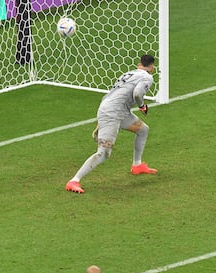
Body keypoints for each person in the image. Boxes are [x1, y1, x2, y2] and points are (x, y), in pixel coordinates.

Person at [65, 54, 157, 194]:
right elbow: (138, 94)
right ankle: (74, 181)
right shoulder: (147, 77)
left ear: (139, 64)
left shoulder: (130, 72)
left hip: (117, 110)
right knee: (104, 153)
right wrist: (142, 106)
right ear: (152, 67)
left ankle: (137, 165)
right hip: (112, 113)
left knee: (143, 129)